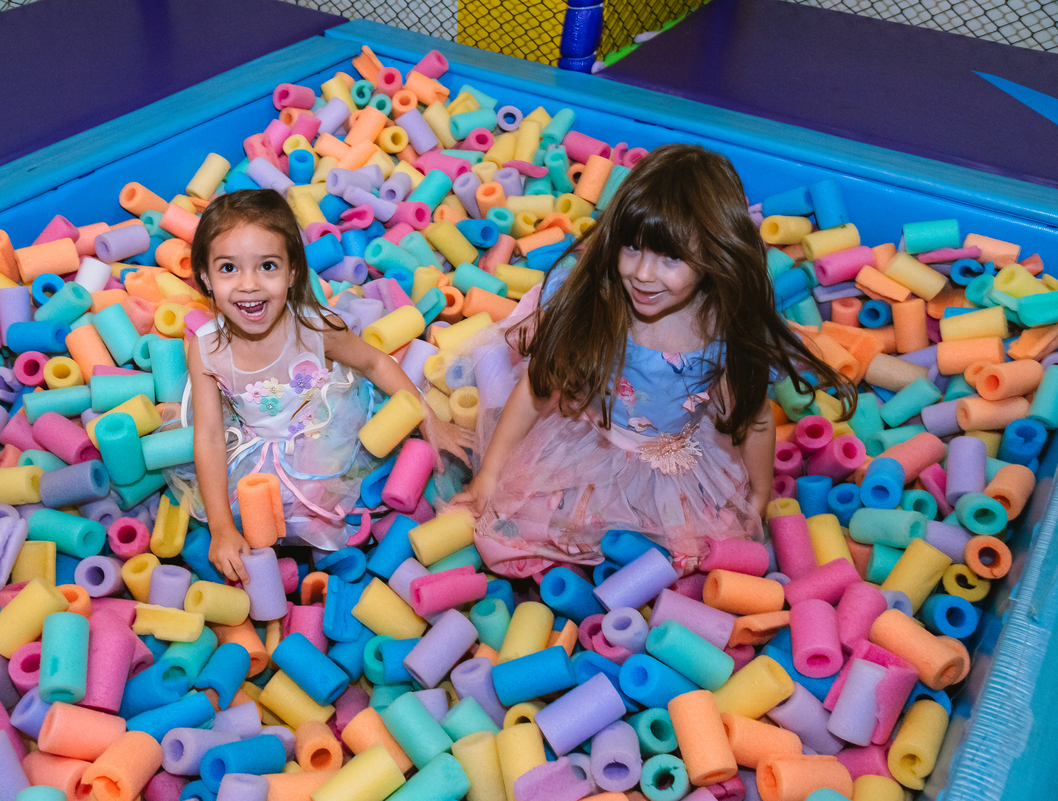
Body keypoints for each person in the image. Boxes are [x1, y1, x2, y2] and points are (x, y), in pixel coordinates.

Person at [452, 143, 855, 578]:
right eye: (632, 248)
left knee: (681, 564)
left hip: (673, 464)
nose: (643, 274)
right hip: (586, 444)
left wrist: (758, 494)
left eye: (671, 257)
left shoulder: (726, 332)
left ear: (713, 254)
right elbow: (535, 389)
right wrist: (489, 475)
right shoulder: (595, 301)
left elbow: (753, 420)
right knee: (500, 537)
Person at [182, 189, 470, 583]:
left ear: (292, 273)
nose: (249, 285)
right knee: (256, 527)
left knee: (343, 509)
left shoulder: (315, 327)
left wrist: (430, 421)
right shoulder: (206, 349)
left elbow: (374, 362)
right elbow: (210, 436)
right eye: (229, 268)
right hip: (255, 456)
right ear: (205, 277)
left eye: (267, 266)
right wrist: (220, 528)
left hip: (329, 439)